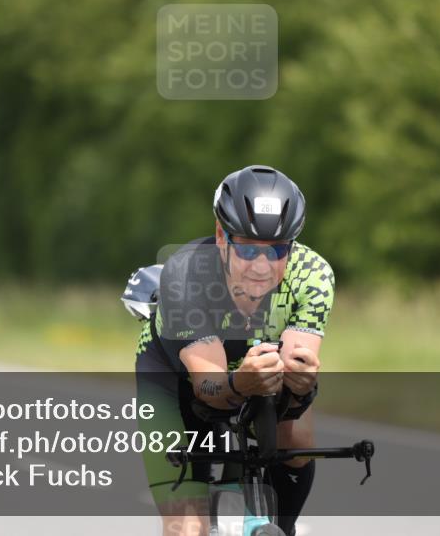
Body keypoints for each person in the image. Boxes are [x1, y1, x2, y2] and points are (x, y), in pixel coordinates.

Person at [134, 165, 333, 536]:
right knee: (187, 527)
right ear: (222, 238)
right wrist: (241, 384)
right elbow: (207, 386)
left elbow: (299, 363)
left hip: (252, 370)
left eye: (277, 250)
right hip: (174, 377)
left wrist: (301, 381)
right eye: (246, 248)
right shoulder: (185, 274)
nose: (261, 266)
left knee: (298, 436)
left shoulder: (313, 274)